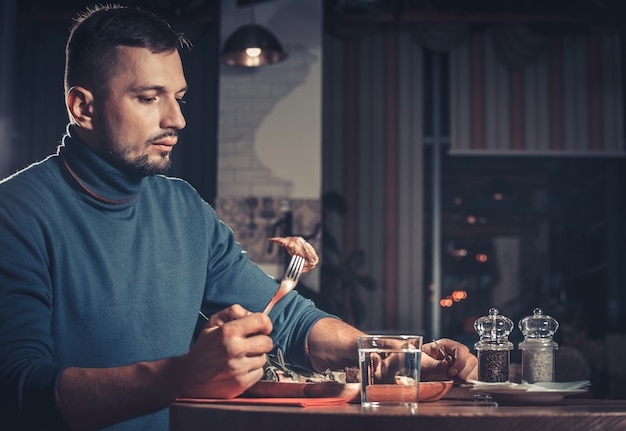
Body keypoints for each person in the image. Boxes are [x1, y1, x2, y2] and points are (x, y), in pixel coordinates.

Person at [0, 4, 477, 430]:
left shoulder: (184, 208)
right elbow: (20, 390)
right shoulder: (15, 214)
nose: (176, 120)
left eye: (179, 97)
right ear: (82, 106)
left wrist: (398, 358)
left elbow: (289, 320)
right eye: (149, 98)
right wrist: (183, 374)